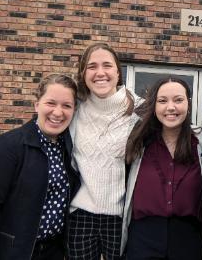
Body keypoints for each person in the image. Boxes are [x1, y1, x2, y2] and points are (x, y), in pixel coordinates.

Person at [0, 74, 80, 260]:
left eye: (66, 105)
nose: (58, 112)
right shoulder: (7, 147)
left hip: (54, 251)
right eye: (51, 103)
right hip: (15, 252)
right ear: (37, 105)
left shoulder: (68, 147)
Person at [121, 77, 202, 260]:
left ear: (189, 103)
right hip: (143, 241)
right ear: (154, 106)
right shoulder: (138, 142)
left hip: (189, 242)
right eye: (162, 101)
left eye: (178, 100)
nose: (171, 107)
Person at [67, 43, 142, 260]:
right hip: (80, 215)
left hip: (121, 216)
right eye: (92, 66)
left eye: (107, 65)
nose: (100, 73)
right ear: (83, 73)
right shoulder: (74, 109)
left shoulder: (138, 109)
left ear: (118, 72)